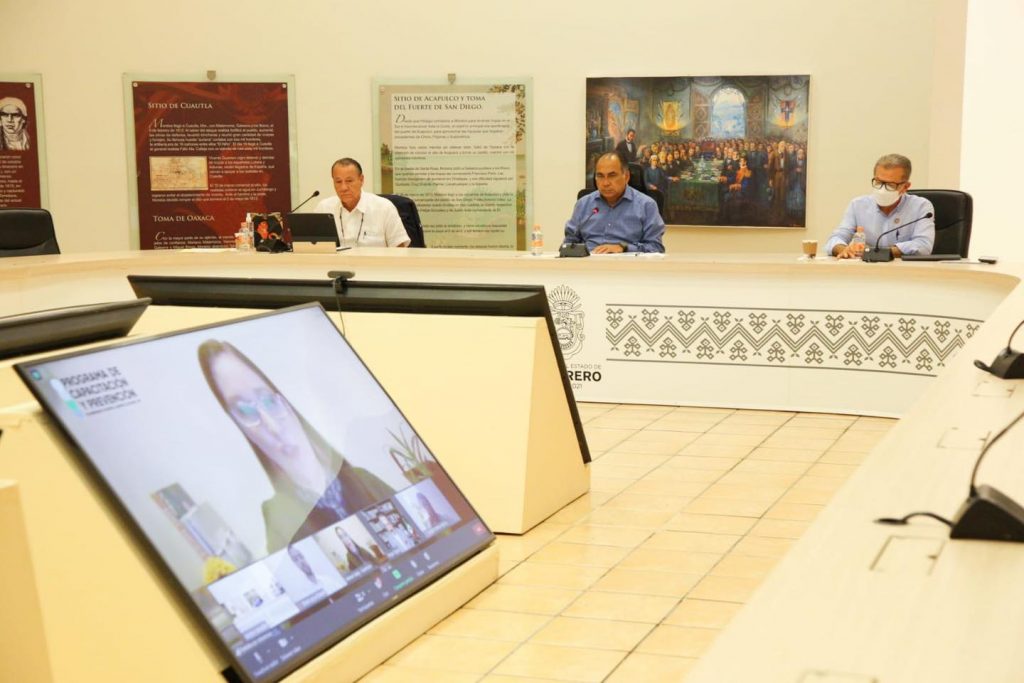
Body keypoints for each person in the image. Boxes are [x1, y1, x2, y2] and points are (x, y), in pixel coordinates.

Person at [197, 340, 395, 553]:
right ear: (241, 429)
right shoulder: (280, 524)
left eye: (269, 401)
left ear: (284, 401)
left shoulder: (363, 479)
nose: (273, 427)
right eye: (245, 411)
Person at [825, 153, 934, 259]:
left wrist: (875, 252)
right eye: (878, 182)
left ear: (905, 187)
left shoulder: (921, 206)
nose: (882, 189)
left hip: (905, 270)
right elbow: (836, 238)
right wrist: (842, 249)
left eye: (890, 185)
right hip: (868, 269)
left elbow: (923, 246)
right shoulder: (858, 205)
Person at [563, 152, 665, 254]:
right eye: (600, 176)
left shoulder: (646, 205)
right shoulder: (583, 204)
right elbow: (568, 244)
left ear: (626, 176)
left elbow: (656, 247)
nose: (605, 183)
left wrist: (624, 248)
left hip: (628, 262)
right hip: (589, 261)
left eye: (612, 176)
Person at [313, 158, 410, 247]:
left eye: (349, 181)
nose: (343, 188)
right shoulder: (324, 208)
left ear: (361, 180)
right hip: (334, 261)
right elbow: (312, 246)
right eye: (338, 182)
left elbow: (399, 248)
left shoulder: (384, 208)